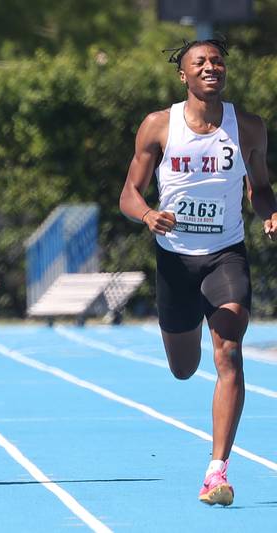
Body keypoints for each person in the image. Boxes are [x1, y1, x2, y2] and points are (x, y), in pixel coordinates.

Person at [119, 38, 277, 506]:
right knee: (184, 368)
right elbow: (129, 192)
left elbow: (262, 189)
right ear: (183, 75)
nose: (211, 67)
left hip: (225, 254)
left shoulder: (247, 128)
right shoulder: (158, 126)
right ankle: (183, 348)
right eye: (200, 63)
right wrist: (148, 216)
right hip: (174, 260)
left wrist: (269, 212)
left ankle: (217, 470)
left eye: (217, 61)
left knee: (229, 348)